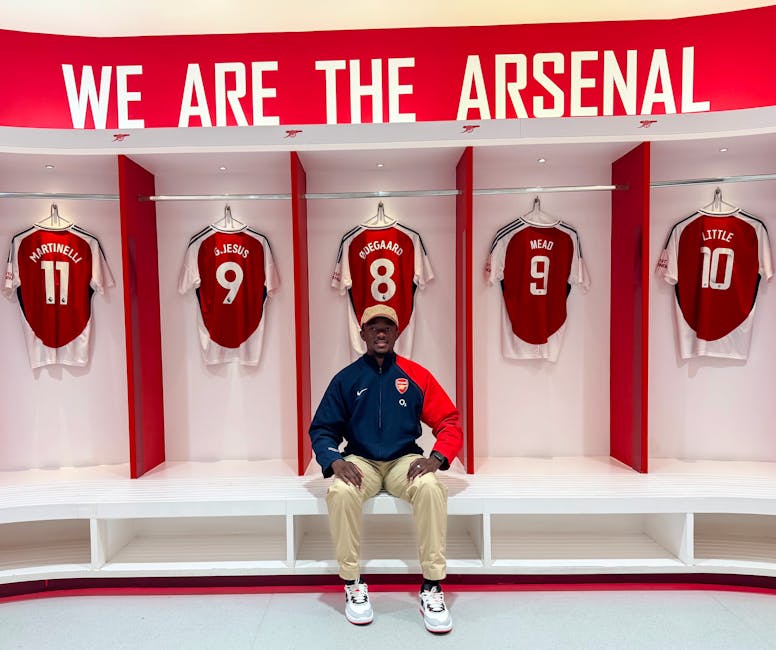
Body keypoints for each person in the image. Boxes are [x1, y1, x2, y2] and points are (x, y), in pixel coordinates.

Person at [309, 304, 463, 634]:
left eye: (388, 328)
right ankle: (352, 582)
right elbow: (322, 429)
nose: (381, 333)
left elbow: (450, 421)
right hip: (361, 461)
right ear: (362, 333)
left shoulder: (416, 375)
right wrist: (334, 460)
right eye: (374, 327)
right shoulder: (346, 379)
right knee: (339, 491)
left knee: (431, 487)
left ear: (396, 333)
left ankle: (432, 586)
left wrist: (436, 458)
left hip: (402, 461)